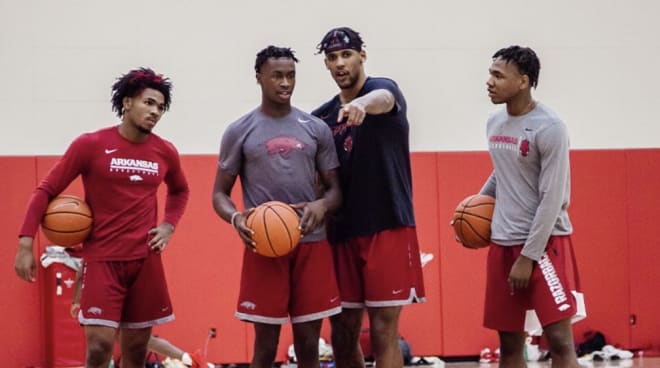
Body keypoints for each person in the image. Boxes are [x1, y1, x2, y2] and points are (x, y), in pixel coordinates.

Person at [13, 67, 190, 368]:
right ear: (127, 103)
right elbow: (45, 190)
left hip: (145, 261)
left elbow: (180, 190)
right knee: (98, 348)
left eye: (160, 107)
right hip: (102, 260)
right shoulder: (91, 145)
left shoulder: (165, 151)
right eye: (148, 102)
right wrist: (25, 243)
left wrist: (168, 226)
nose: (155, 111)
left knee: (135, 352)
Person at [211, 46, 342, 368]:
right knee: (265, 349)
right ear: (259, 78)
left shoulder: (315, 128)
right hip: (265, 247)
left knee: (309, 346)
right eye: (277, 76)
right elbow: (219, 194)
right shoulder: (239, 130)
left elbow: (337, 191)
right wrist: (237, 217)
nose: (285, 83)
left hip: (312, 245)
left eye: (291, 75)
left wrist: (322, 205)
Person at [312, 27, 426, 368]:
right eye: (332, 58)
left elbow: (384, 100)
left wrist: (360, 102)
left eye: (346, 55)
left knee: (383, 332)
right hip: (341, 232)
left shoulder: (382, 90)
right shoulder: (321, 118)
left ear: (362, 55)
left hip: (386, 225)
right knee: (343, 333)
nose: (339, 64)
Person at [478, 45, 582, 367]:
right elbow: (503, 170)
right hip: (502, 245)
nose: (489, 81)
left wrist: (528, 257)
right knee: (509, 344)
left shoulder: (550, 127)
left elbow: (553, 198)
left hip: (544, 247)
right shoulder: (494, 122)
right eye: (490, 73)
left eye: (498, 75)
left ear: (523, 81)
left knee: (560, 343)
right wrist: (472, 209)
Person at [70, 266, 208, 368]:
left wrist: (76, 301)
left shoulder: (100, 244)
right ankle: (189, 358)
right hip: (126, 284)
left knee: (117, 342)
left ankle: (189, 358)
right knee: (133, 341)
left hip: (111, 292)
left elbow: (82, 271)